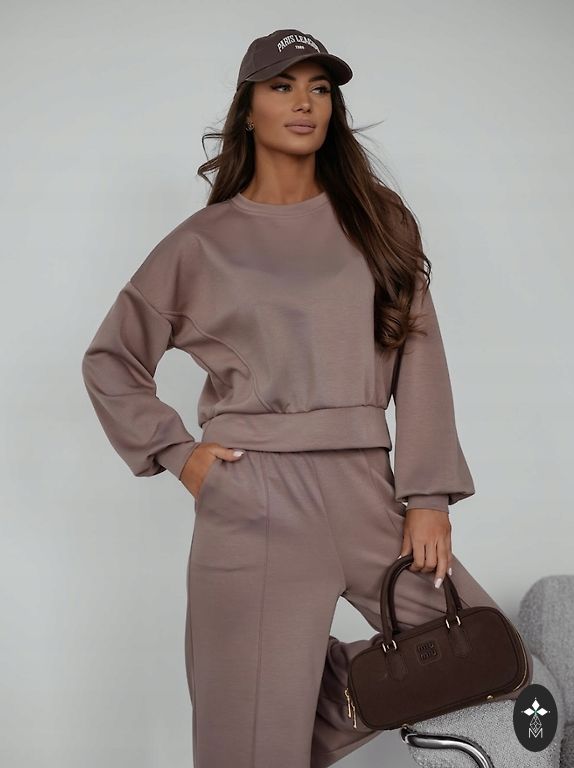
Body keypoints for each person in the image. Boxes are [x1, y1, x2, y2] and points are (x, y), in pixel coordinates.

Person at [81, 27, 532, 768]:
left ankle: (291, 709)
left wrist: (428, 497)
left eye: (319, 89)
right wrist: (179, 455)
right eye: (283, 86)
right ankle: (259, 722)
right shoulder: (201, 243)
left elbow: (419, 352)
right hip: (252, 498)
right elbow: (111, 358)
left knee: (487, 657)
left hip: (366, 489)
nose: (304, 103)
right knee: (246, 741)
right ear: (248, 109)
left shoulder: (378, 219)